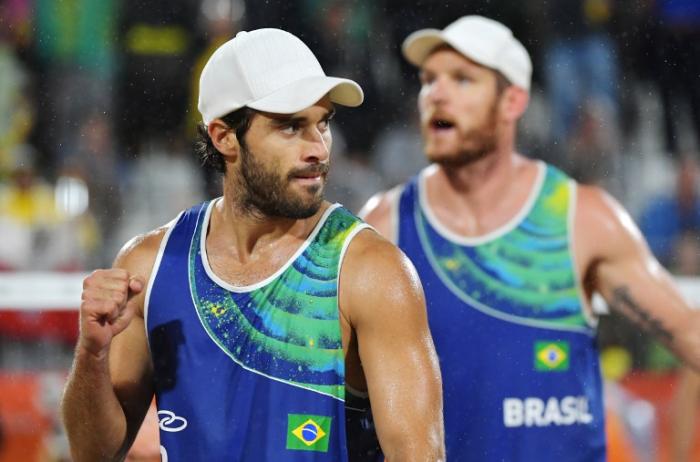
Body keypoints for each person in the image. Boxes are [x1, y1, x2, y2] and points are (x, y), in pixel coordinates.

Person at [61, 28, 444, 462]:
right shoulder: (150, 266)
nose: (318, 148)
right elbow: (92, 452)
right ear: (224, 136)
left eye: (323, 123)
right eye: (290, 127)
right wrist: (92, 353)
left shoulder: (371, 271)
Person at [360, 15, 700, 461]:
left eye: (462, 79)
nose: (435, 94)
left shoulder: (582, 219)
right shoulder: (387, 224)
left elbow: (688, 331)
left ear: (512, 101)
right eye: (427, 80)